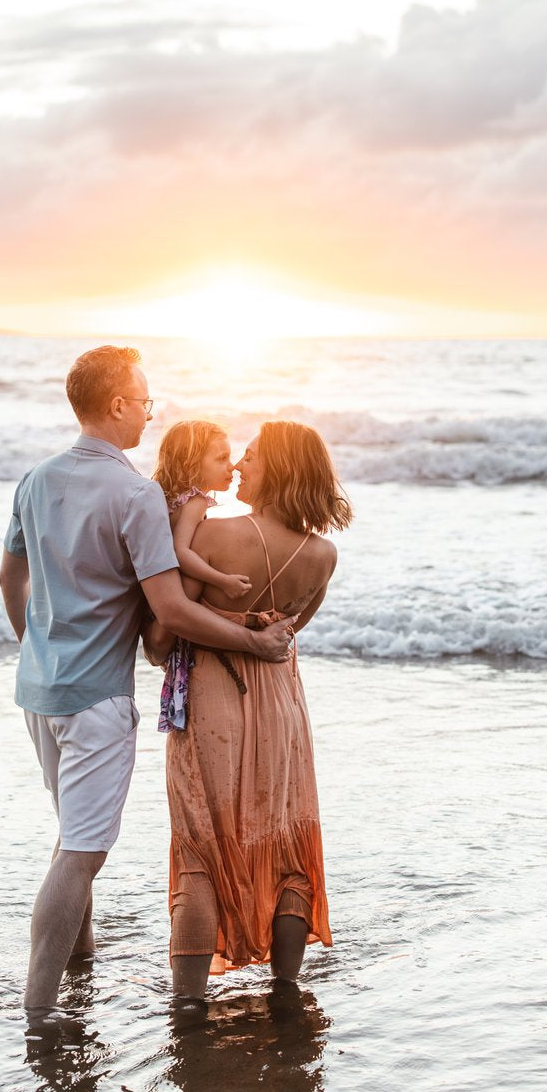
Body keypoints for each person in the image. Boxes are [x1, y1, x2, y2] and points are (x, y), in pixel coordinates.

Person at [0, 347, 297, 1030]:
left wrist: (34, 646)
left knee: (73, 836)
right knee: (83, 852)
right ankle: (39, 1012)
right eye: (144, 400)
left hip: (39, 691)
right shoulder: (131, 493)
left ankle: (80, 963)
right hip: (97, 698)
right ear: (117, 406)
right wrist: (253, 641)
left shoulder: (36, 480)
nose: (149, 411)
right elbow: (170, 609)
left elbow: (9, 581)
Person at [145, 420, 353, 1004]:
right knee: (284, 837)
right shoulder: (323, 555)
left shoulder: (210, 535)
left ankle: (187, 1004)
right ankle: (286, 988)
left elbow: (162, 634)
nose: (239, 465)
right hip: (281, 705)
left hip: (214, 697)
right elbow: (288, 634)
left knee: (201, 845)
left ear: (279, 471)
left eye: (254, 458)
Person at [152, 420, 252, 732]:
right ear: (191, 464)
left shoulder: (166, 497)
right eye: (220, 459)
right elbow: (181, 553)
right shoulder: (194, 501)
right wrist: (222, 580)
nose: (232, 467)